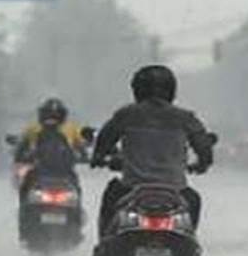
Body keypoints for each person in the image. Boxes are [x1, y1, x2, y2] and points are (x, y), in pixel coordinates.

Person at [90, 65, 214, 237]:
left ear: (138, 89)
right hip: (176, 190)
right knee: (194, 200)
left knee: (111, 196)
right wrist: (203, 164)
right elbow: (204, 146)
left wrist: (98, 157)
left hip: (130, 188)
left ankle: (103, 245)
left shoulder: (126, 114)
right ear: (171, 89)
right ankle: (188, 244)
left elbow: (105, 138)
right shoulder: (186, 118)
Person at [14, 97, 87, 192]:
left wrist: (84, 156)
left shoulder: (72, 128)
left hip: (64, 170)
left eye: (56, 115)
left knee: (75, 186)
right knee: (27, 184)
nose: (52, 119)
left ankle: (76, 204)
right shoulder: (33, 129)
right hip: (40, 169)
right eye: (49, 115)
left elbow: (81, 145)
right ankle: (24, 205)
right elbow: (22, 145)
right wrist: (21, 156)